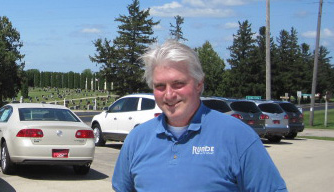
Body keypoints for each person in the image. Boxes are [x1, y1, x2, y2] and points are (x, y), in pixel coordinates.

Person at [112, 39, 287, 192]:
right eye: (160, 86)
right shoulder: (137, 139)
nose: (169, 95)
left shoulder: (237, 137)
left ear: (198, 84)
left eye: (178, 84)